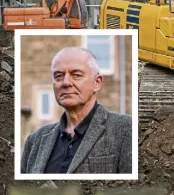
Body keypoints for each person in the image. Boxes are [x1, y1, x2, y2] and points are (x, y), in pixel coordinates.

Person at [21, 46, 132, 174]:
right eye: (58, 76)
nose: (66, 82)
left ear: (97, 83)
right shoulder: (35, 141)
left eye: (76, 75)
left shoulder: (126, 130)